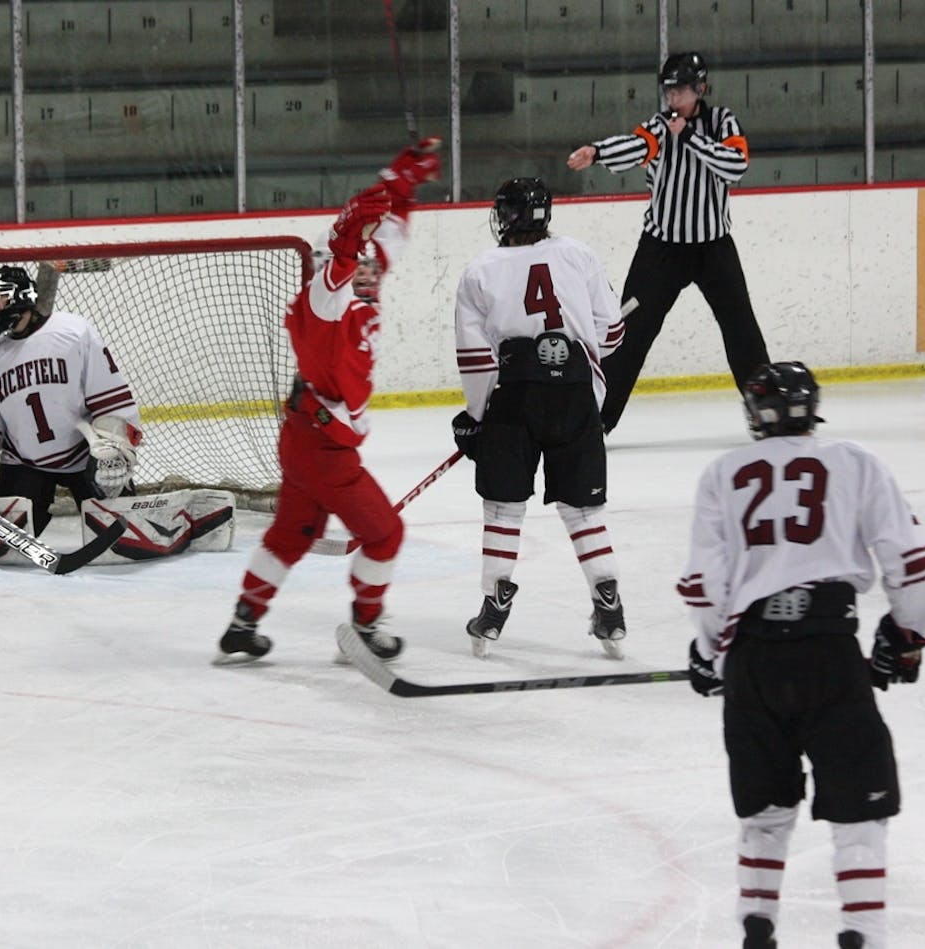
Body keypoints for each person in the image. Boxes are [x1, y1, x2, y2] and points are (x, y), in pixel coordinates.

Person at [678, 362, 925, 949]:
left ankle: (757, 927)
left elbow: (702, 583)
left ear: (754, 414)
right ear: (812, 408)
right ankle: (861, 933)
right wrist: (907, 635)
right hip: (829, 655)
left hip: (753, 662)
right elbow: (910, 558)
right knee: (858, 806)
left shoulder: (722, 472)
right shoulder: (855, 462)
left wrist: (710, 651)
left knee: (764, 810)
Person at [215, 138, 442, 664]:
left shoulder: (363, 283)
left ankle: (243, 621)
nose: (369, 273)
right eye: (357, 266)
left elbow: (386, 236)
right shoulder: (320, 303)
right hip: (325, 448)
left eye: (370, 267)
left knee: (294, 531)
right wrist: (347, 236)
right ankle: (365, 625)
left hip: (305, 440)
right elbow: (341, 264)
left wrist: (401, 182)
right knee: (385, 535)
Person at [451, 176, 630, 660]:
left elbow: (476, 358)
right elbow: (611, 334)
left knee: (504, 508)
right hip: (575, 397)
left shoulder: (480, 270)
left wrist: (476, 416)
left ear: (505, 216)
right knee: (584, 510)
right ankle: (607, 602)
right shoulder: (579, 254)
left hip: (514, 399)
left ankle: (494, 607)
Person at [566, 51, 769, 434]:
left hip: (714, 248)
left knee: (742, 330)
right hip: (661, 250)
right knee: (628, 332)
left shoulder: (722, 121)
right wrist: (597, 152)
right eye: (669, 90)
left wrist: (690, 138)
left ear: (700, 89)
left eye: (680, 90)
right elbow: (636, 146)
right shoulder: (660, 126)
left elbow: (735, 164)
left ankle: (765, 411)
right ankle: (599, 419)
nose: (673, 98)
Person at [0, 262, 146, 563]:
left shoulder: (73, 331)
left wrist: (114, 446)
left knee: (122, 540)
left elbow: (110, 397)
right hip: (25, 462)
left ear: (19, 295)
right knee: (0, 551)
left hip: (84, 455)